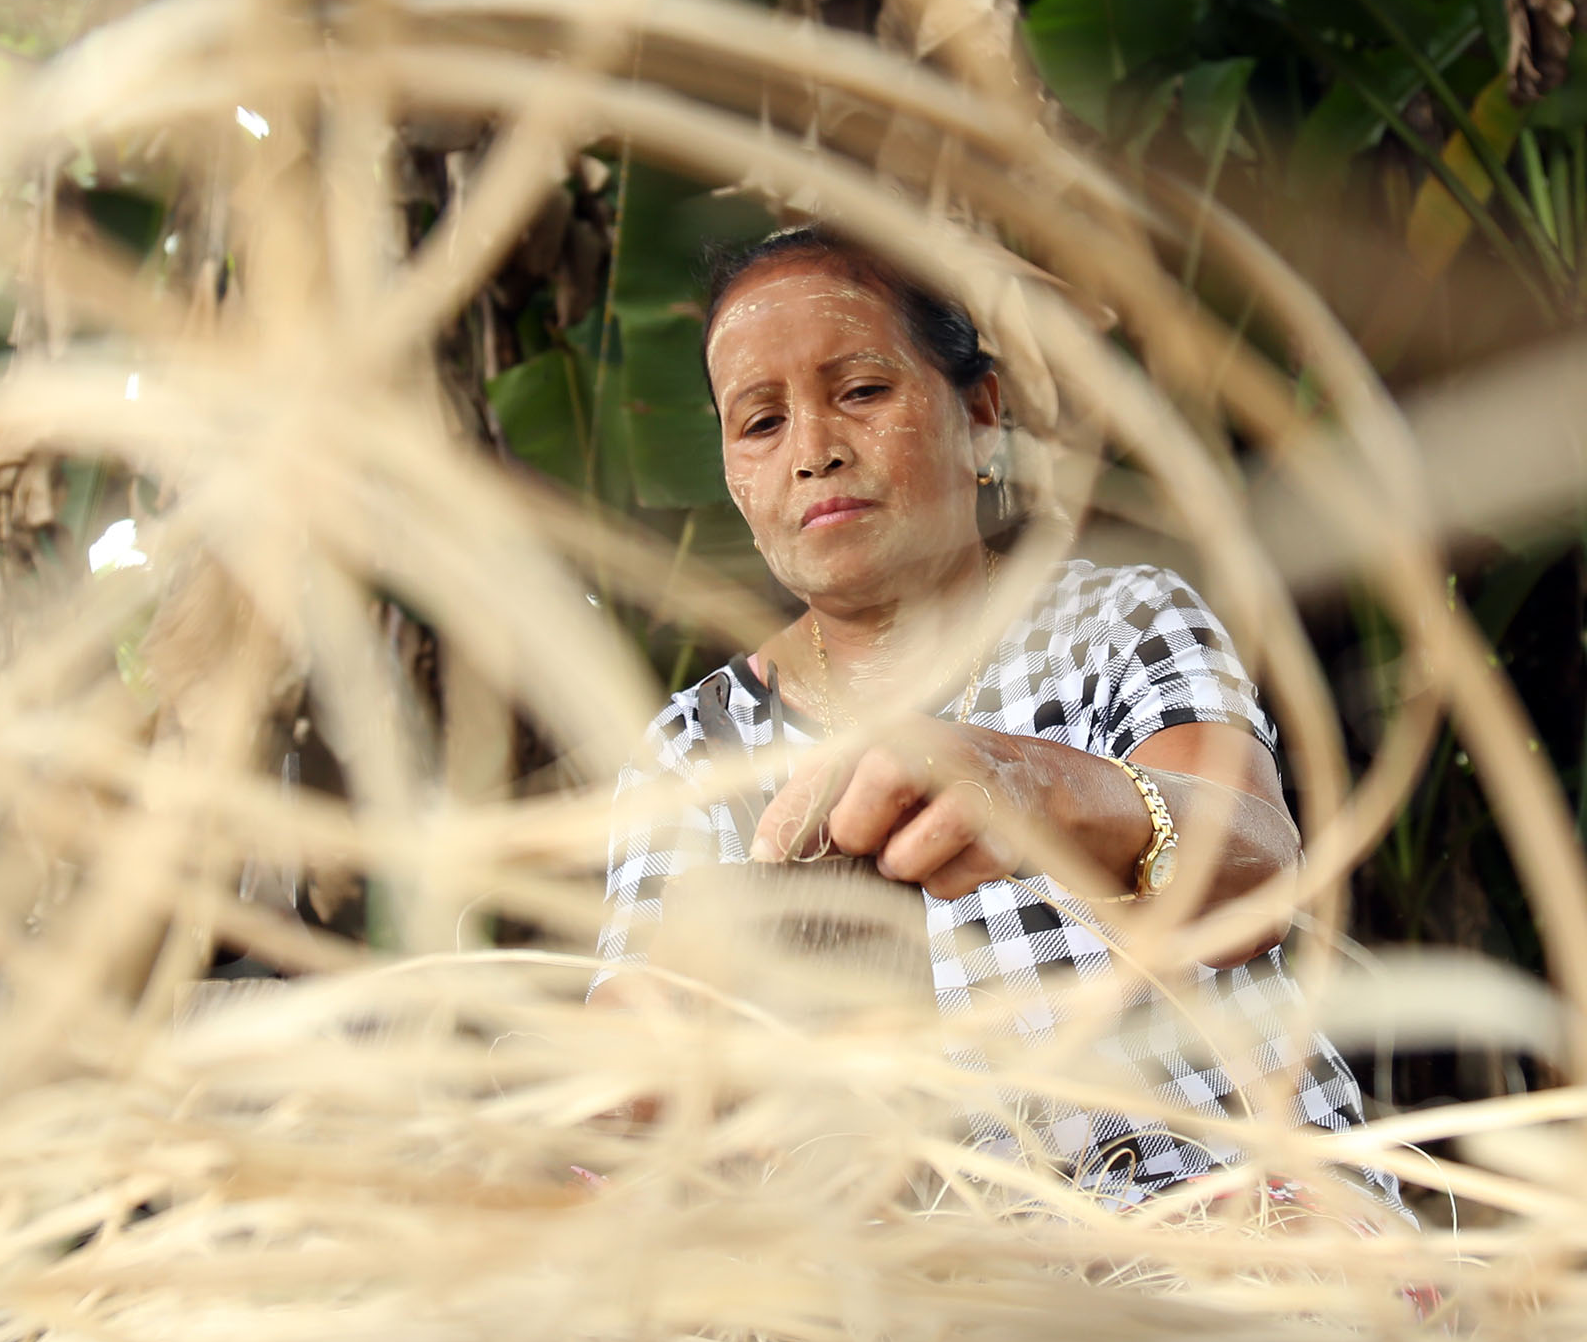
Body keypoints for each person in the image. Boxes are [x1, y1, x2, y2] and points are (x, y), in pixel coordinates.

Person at [593, 224, 1393, 1210]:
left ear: (979, 416)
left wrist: (1032, 782)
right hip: (935, 1303)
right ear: (733, 476)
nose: (814, 450)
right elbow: (625, 1067)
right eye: (760, 422)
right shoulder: (693, 747)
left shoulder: (1115, 621)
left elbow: (1254, 855)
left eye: (861, 391)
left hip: (1226, 1230)